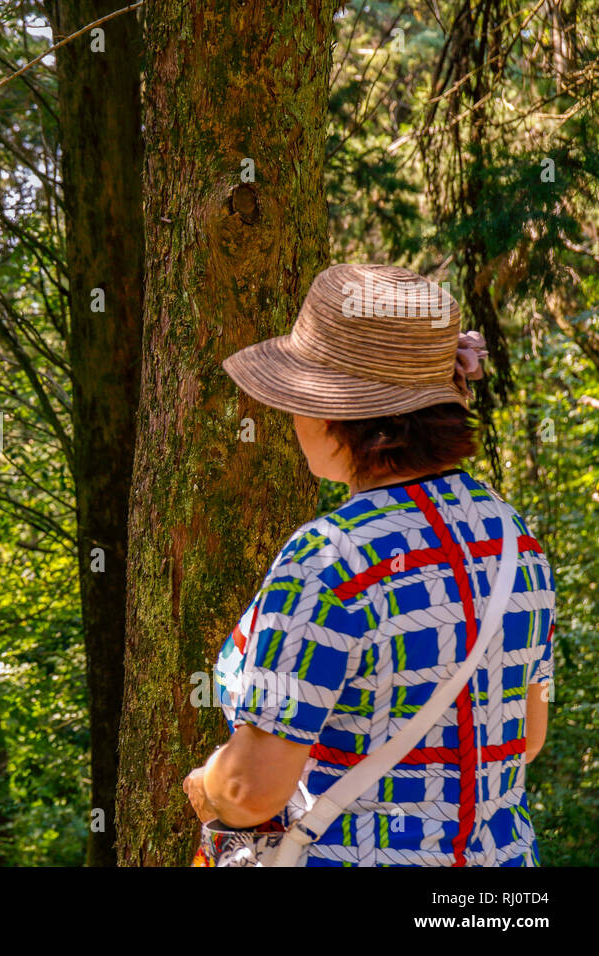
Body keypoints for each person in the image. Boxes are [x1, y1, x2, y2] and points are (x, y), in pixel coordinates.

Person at [183, 263, 554, 867]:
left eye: (298, 398)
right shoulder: (516, 540)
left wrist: (205, 787)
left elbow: (250, 792)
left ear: (337, 414)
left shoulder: (328, 561)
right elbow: (527, 740)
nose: (292, 417)